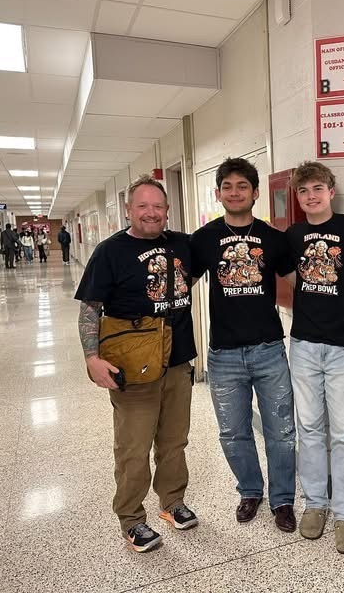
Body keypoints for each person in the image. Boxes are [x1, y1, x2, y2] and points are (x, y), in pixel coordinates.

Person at [74, 174, 198, 553]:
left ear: (167, 210)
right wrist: (92, 357)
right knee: (133, 446)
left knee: (174, 441)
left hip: (177, 363)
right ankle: (131, 519)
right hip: (134, 366)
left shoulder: (182, 244)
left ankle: (171, 502)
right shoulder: (109, 252)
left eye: (157, 206)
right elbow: (90, 307)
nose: (150, 213)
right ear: (129, 210)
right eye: (142, 206)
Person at [189, 157, 298, 534]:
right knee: (233, 431)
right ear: (219, 193)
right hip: (223, 356)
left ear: (254, 193)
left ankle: (283, 500)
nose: (235, 192)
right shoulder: (203, 239)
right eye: (228, 187)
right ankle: (250, 490)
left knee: (281, 430)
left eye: (242, 186)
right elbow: (178, 286)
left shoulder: (272, 238)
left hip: (269, 350)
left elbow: (300, 282)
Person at [285, 161, 344, 554]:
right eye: (303, 191)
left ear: (331, 191)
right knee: (309, 430)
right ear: (298, 197)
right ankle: (315, 504)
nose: (311, 196)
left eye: (317, 188)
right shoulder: (293, 235)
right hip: (303, 345)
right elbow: (275, 276)